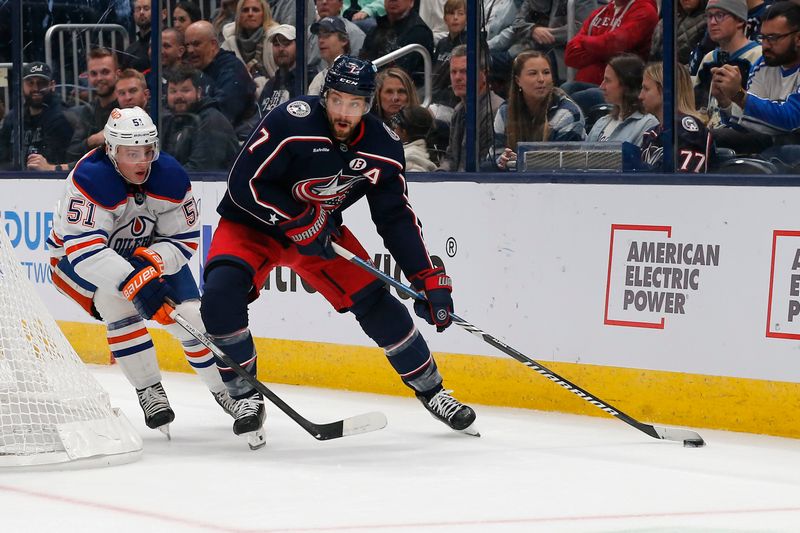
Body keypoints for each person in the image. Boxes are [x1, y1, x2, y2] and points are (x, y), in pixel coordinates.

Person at [200, 55, 478, 444]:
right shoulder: (290, 121)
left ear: (369, 104)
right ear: (325, 96)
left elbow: (394, 218)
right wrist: (297, 219)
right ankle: (245, 396)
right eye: (337, 100)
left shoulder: (383, 147)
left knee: (377, 303)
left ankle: (434, 391)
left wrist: (426, 276)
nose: (344, 112)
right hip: (253, 226)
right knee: (219, 295)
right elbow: (244, 183)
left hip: (319, 237)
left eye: (355, 104)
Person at [47, 106, 242, 435]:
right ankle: (149, 388)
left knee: (193, 318)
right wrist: (135, 283)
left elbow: (182, 240)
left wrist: (151, 267)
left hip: (145, 254)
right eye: (130, 153)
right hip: (75, 261)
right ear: (111, 149)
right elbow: (85, 252)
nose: (140, 161)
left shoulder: (171, 176)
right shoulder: (89, 178)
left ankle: (228, 392)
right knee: (117, 304)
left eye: (146, 152)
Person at [711, 0, 800, 158]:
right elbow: (743, 124)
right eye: (763, 37)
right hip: (771, 147)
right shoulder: (763, 64)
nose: (765, 45)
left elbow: (792, 121)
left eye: (773, 38)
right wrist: (727, 101)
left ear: (798, 38)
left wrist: (739, 95)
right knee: (712, 139)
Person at [26, 47, 120, 172]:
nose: (99, 78)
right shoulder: (88, 111)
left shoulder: (127, 109)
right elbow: (71, 153)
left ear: (117, 74)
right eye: (93, 73)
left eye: (105, 72)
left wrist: (55, 168)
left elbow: (111, 162)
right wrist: (93, 140)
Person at [492, 51, 586, 171]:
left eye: (546, 73)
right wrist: (503, 159)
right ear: (517, 81)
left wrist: (520, 161)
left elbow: (564, 162)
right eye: (533, 74)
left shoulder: (568, 113)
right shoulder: (505, 111)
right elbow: (495, 153)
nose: (541, 79)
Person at [563, 0, 658, 114]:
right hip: (589, 82)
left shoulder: (645, 10)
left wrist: (583, 41)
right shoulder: (600, 13)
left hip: (622, 89)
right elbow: (570, 56)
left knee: (576, 100)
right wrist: (602, 51)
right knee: (565, 89)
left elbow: (614, 45)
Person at [692, 0, 761, 128]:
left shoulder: (758, 57)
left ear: (740, 21)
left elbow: (760, 118)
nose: (712, 22)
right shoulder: (709, 58)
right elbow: (696, 106)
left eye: (719, 15)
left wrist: (727, 103)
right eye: (709, 16)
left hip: (744, 140)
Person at [639, 62, 716, 172]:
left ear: (665, 91)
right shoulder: (651, 134)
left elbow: (682, 181)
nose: (640, 96)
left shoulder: (687, 128)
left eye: (646, 89)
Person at [439, 45, 505, 171]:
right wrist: (439, 174)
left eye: (465, 71)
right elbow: (451, 158)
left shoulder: (495, 110)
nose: (457, 78)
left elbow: (484, 164)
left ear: (484, 74)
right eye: (453, 72)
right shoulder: (459, 110)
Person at [162, 65, 239, 170]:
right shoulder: (171, 120)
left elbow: (200, 169)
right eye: (173, 91)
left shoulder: (211, 121)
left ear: (198, 92)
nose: (178, 96)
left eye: (185, 90)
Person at [185, 20, 257, 131]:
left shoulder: (232, 70)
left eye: (196, 44)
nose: (190, 50)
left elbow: (221, 116)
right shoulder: (191, 70)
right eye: (187, 45)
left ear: (213, 44)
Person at [0, 61, 73, 170]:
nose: (35, 88)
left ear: (52, 85)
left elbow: (58, 162)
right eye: (30, 83)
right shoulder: (12, 118)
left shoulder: (62, 117)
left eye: (41, 83)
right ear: (22, 85)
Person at [587, 54, 659, 146]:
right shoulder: (602, 122)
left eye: (608, 80)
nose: (602, 87)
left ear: (626, 85)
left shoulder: (647, 125)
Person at [359, 0, 434, 84]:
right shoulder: (376, 29)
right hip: (371, 87)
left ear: (411, 2)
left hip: (403, 91)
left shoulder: (419, 32)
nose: (392, 0)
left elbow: (401, 75)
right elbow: (362, 63)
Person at [220, 0, 280, 98]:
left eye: (255, 10)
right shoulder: (229, 42)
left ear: (264, 14)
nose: (250, 14)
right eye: (245, 10)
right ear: (239, 15)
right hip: (241, 96)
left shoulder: (275, 39)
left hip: (274, 94)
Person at [307, 0, 365, 76]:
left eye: (327, 34)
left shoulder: (354, 32)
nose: (324, 2)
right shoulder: (309, 31)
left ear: (341, 3)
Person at [256, 25, 298, 117]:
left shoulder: (306, 79)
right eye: (276, 44)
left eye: (286, 43)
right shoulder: (270, 85)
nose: (281, 49)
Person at [307, 17, 352, 96]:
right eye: (319, 36)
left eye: (326, 35)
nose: (321, 40)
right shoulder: (318, 79)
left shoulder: (355, 74)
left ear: (344, 40)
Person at [392, 104, 438, 171]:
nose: (393, 131)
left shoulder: (409, 161)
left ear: (404, 132)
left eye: (395, 127)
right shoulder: (429, 153)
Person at [122, 0, 153, 71]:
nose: (141, 12)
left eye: (146, 9)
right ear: (134, 15)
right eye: (138, 9)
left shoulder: (164, 43)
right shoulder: (130, 51)